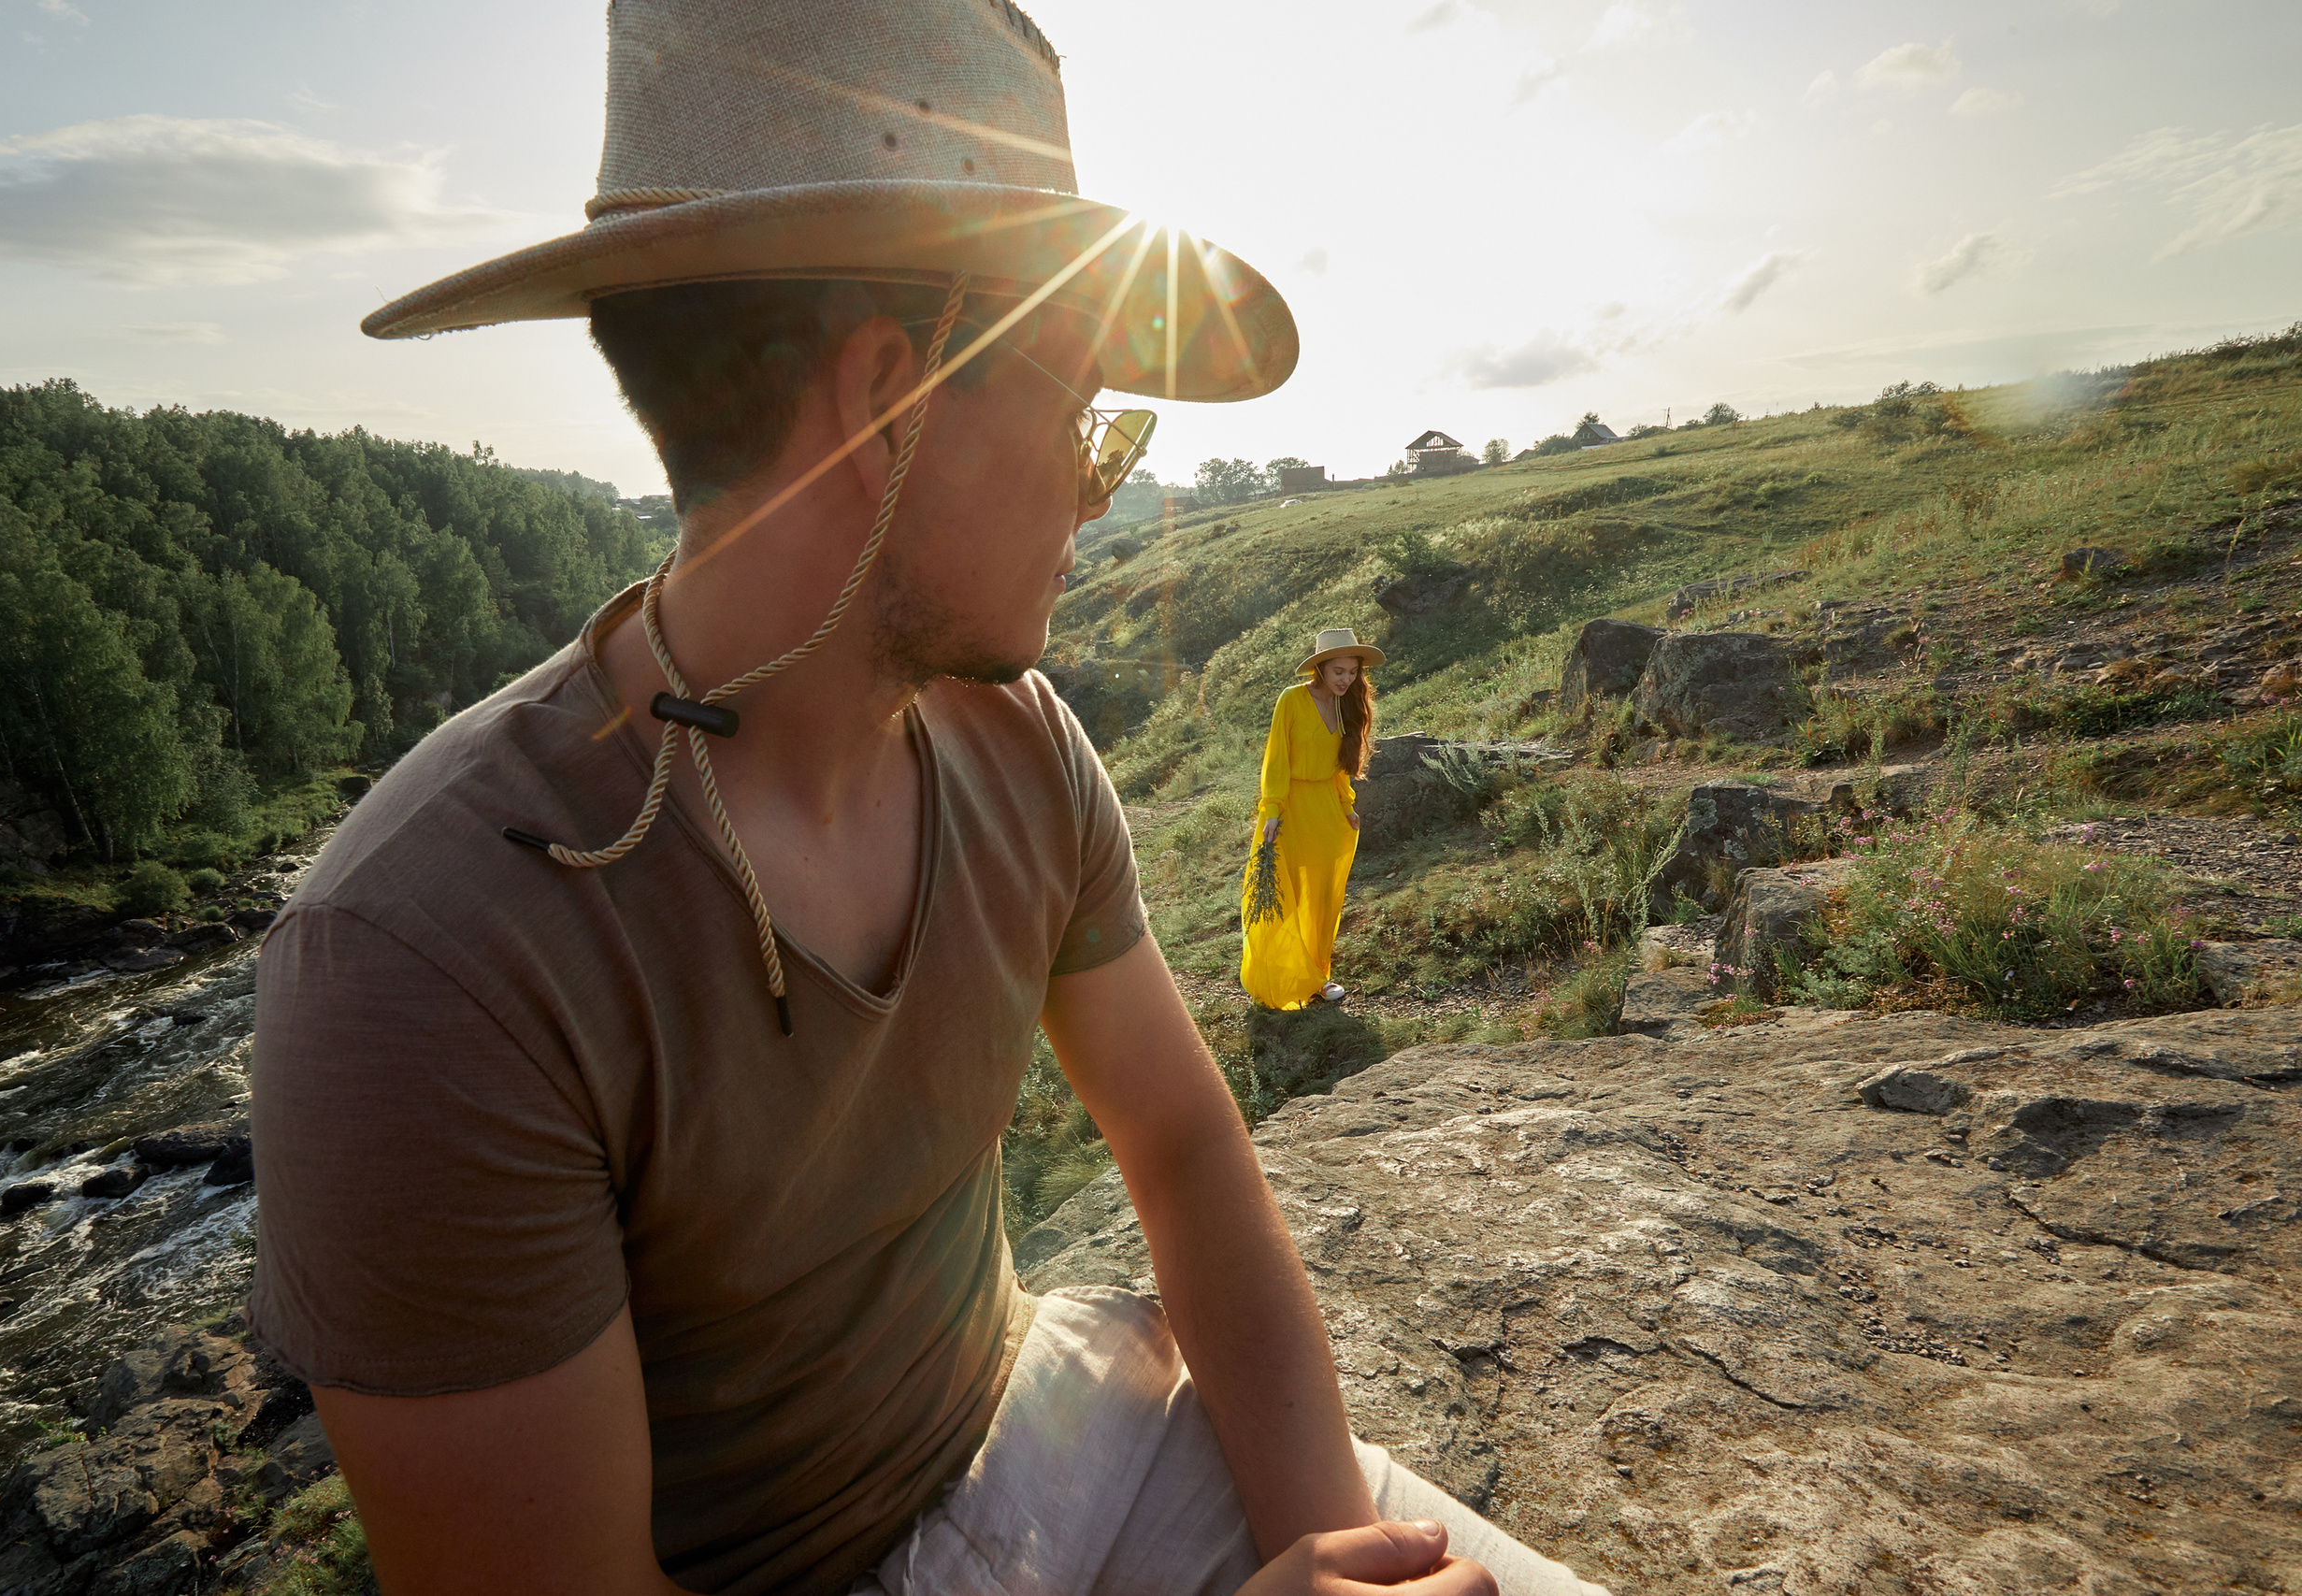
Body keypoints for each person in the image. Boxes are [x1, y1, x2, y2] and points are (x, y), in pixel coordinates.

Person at [245, 6, 1610, 1596]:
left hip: (1059, 1422)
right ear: (890, 399)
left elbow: (1177, 1139)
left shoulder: (1015, 740)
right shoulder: (421, 961)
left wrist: (1328, 1545)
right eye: (1083, 419)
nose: (1091, 499)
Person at [1243, 630, 1381, 1009]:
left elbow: (1341, 770)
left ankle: (1319, 975)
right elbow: (1276, 758)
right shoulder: (1291, 699)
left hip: (1326, 811)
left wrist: (1347, 806)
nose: (1346, 680)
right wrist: (1272, 810)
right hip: (1289, 809)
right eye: (1338, 671)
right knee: (1287, 893)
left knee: (1323, 896)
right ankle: (1283, 974)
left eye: (1352, 673)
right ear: (1320, 668)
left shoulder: (1346, 706)